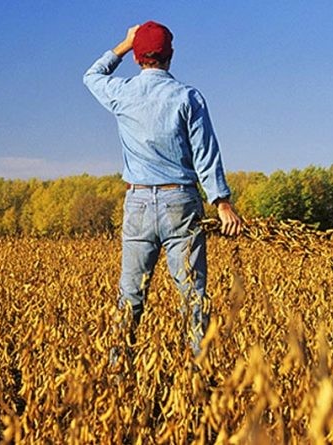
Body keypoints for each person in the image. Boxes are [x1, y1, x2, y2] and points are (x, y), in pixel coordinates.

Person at [83, 21, 242, 356]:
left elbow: (91, 76)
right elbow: (206, 153)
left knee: (130, 297)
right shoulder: (188, 96)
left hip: (137, 202)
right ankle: (202, 379)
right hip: (181, 202)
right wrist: (222, 202)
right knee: (193, 297)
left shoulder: (122, 93)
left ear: (139, 57)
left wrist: (124, 45)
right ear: (170, 55)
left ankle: (115, 377)